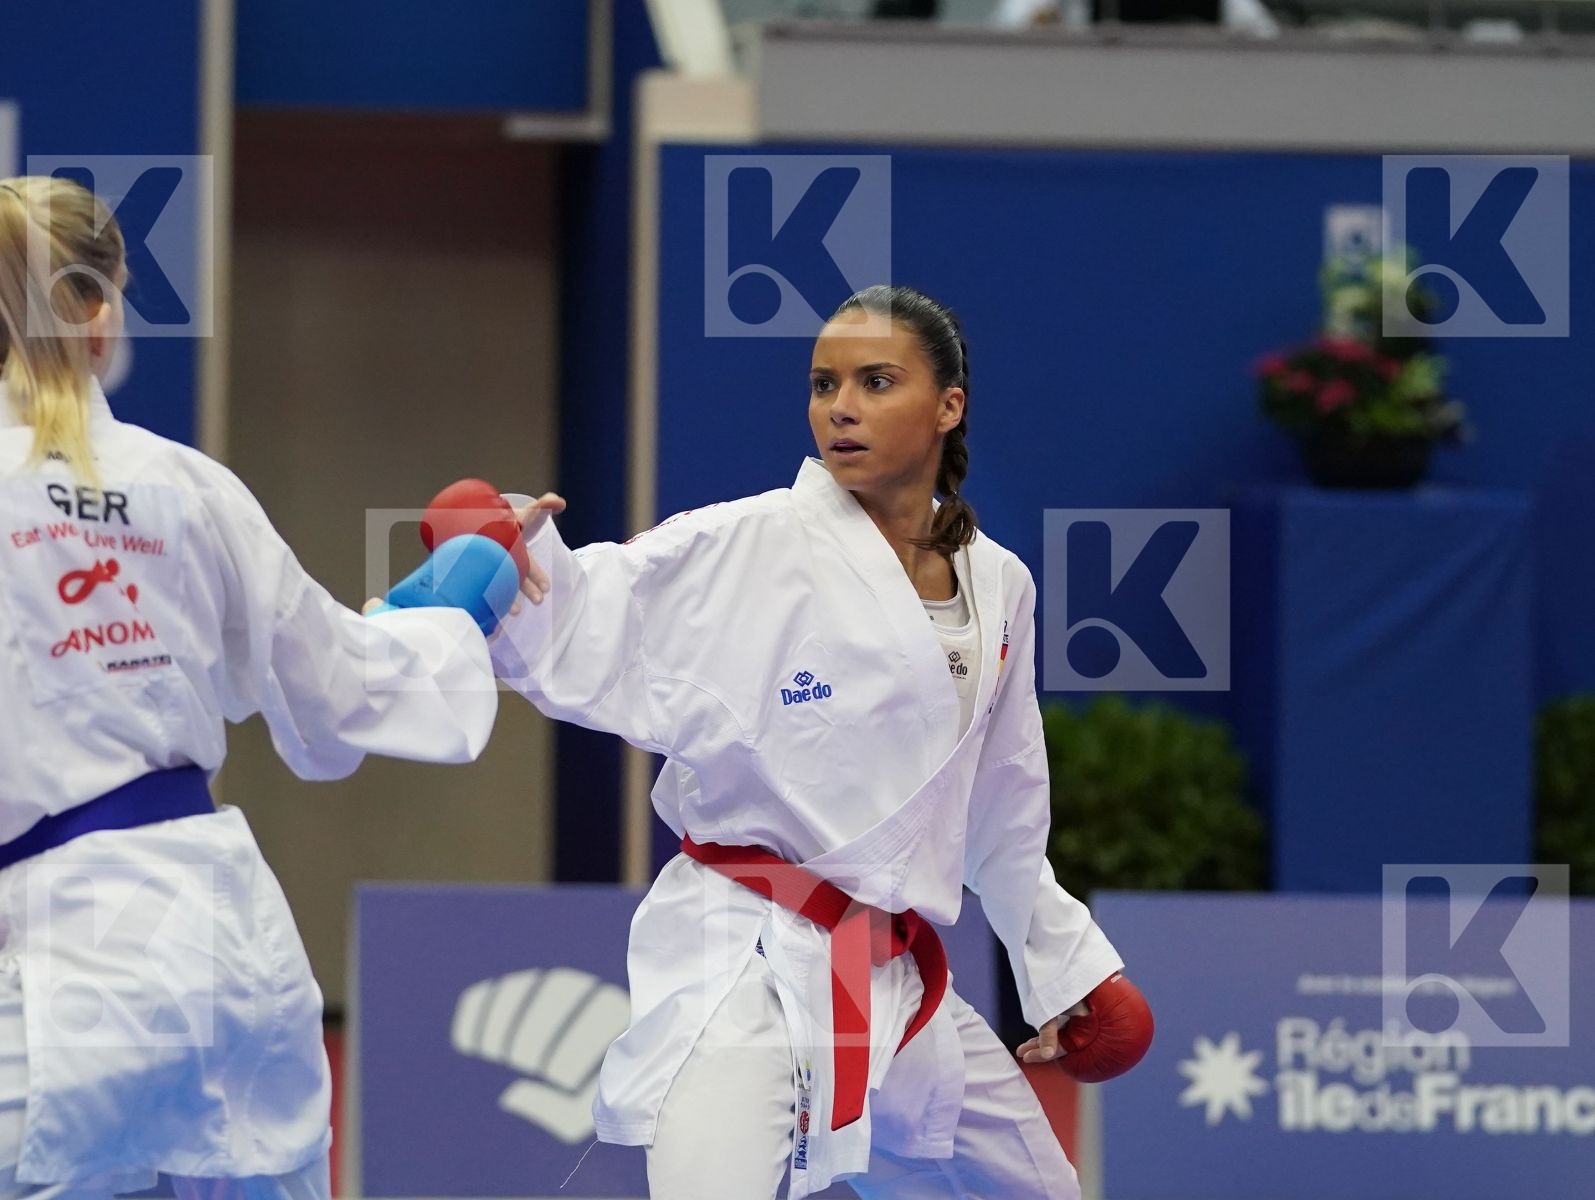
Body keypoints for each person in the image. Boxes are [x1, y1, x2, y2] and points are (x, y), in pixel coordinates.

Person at [493, 284, 1149, 1199]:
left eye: (875, 381)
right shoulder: (751, 542)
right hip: (743, 961)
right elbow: (592, 608)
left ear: (947, 406)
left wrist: (1066, 964)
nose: (838, 406)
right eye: (822, 383)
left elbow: (1003, 802)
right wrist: (509, 563)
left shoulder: (997, 583)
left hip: (895, 981)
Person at [0, 176, 500, 1200]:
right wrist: (456, 600)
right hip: (228, 943)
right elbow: (338, 705)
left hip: (59, 974)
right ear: (99, 313)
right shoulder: (186, 484)